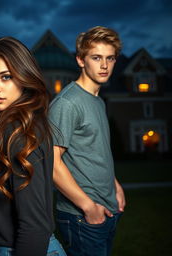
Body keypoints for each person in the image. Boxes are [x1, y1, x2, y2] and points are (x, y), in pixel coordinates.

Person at [0, 37, 66, 256]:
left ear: (24, 77)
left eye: (6, 77)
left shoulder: (20, 134)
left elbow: (35, 227)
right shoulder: (1, 128)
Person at [49, 26, 126, 256]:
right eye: (96, 58)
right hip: (83, 218)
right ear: (81, 60)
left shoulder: (97, 101)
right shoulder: (67, 103)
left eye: (110, 58)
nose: (104, 65)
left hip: (107, 210)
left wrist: (115, 185)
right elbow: (52, 164)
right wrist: (88, 207)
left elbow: (96, 151)